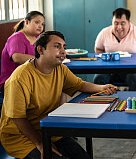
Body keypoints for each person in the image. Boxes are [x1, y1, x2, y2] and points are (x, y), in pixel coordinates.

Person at [0, 31, 118, 159]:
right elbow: (18, 118)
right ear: (40, 49)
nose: (63, 52)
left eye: (64, 47)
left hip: (49, 128)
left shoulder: (59, 69)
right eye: (57, 46)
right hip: (21, 136)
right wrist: (40, 143)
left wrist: (101, 87)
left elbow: (79, 85)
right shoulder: (20, 78)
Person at [94, 8, 136, 91]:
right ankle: (102, 102)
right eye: (116, 23)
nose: (119, 27)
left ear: (129, 22)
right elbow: (98, 49)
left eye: (122, 23)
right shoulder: (104, 33)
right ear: (112, 21)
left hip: (133, 70)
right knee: (99, 78)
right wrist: (105, 63)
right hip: (111, 70)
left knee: (135, 79)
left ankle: (134, 102)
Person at [0, 11, 45, 94]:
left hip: (27, 80)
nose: (40, 26)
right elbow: (17, 58)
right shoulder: (17, 37)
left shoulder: (37, 39)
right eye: (37, 22)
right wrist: (43, 60)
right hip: (12, 83)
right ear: (27, 22)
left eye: (42, 24)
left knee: (57, 84)